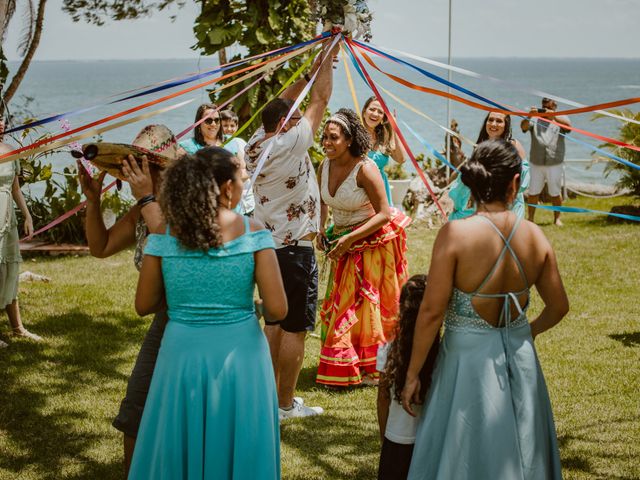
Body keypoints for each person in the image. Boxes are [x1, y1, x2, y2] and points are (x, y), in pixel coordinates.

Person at [402, 140, 569, 480]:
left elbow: (432, 312)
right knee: (522, 449)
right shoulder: (535, 236)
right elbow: (559, 306)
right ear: (515, 183)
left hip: (466, 364)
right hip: (520, 359)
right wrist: (526, 332)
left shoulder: (456, 234)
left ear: (473, 182)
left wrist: (413, 373)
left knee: (464, 452)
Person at [128, 147, 286, 479]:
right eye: (240, 177)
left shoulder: (166, 235)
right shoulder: (254, 232)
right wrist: (249, 308)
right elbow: (277, 308)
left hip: (181, 354)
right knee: (238, 439)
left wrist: (187, 299)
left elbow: (144, 304)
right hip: (241, 356)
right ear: (227, 188)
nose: (243, 182)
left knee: (179, 439)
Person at [77, 124, 180, 475]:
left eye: (142, 163)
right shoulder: (140, 212)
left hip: (190, 319)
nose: (133, 169)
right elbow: (100, 247)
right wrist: (93, 201)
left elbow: (177, 250)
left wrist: (147, 199)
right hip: (163, 319)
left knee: (178, 414)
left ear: (162, 168)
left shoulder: (185, 208)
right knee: (135, 410)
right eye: (131, 163)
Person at [245, 39, 338, 419]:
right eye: (294, 119)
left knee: (274, 323)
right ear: (287, 125)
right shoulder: (294, 141)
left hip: (264, 248)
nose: (302, 120)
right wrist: (330, 58)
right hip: (296, 249)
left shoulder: (254, 144)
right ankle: (284, 404)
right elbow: (321, 99)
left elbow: (285, 102)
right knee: (296, 328)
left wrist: (312, 64)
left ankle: (265, 399)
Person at [316, 108, 410, 388]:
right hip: (341, 239)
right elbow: (322, 200)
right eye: (324, 137)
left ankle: (373, 366)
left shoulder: (366, 169)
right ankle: (350, 360)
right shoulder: (324, 164)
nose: (327, 143)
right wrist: (322, 229)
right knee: (344, 303)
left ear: (349, 140)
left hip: (371, 242)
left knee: (366, 306)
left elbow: (383, 213)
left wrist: (349, 239)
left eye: (333, 138)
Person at [377, 274, 439, 480]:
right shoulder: (444, 353)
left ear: (402, 308)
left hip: (397, 439)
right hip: (431, 440)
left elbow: (383, 398)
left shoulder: (389, 349)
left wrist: (384, 434)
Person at [0, 119, 39, 347]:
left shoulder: (11, 153)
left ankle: (18, 328)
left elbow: (15, 189)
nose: (1, 123)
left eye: (2, 119)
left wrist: (27, 216)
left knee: (11, 270)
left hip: (8, 219)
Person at [449, 111, 529, 220]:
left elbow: (523, 180)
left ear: (506, 125)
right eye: (490, 119)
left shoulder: (513, 145)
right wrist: (459, 203)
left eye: (499, 121)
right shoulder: (480, 146)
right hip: (484, 204)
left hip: (509, 205)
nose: (493, 124)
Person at [520, 97, 572, 226]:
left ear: (555, 106)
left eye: (549, 106)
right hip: (536, 161)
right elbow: (524, 127)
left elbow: (569, 127)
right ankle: (531, 219)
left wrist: (553, 116)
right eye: (544, 106)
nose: (546, 108)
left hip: (554, 161)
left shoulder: (560, 118)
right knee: (533, 192)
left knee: (555, 192)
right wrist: (529, 115)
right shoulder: (535, 119)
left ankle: (557, 218)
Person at [361, 96, 406, 206]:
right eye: (372, 109)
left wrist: (394, 128)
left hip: (382, 189)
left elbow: (401, 159)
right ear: (364, 112)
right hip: (361, 188)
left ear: (383, 118)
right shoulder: (356, 135)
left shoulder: (384, 137)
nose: (375, 114)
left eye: (380, 112)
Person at [221, 109, 254, 216]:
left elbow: (248, 170)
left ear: (237, 126)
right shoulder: (217, 146)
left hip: (247, 200)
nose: (229, 129)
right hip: (228, 202)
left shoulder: (241, 144)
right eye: (225, 125)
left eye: (232, 125)